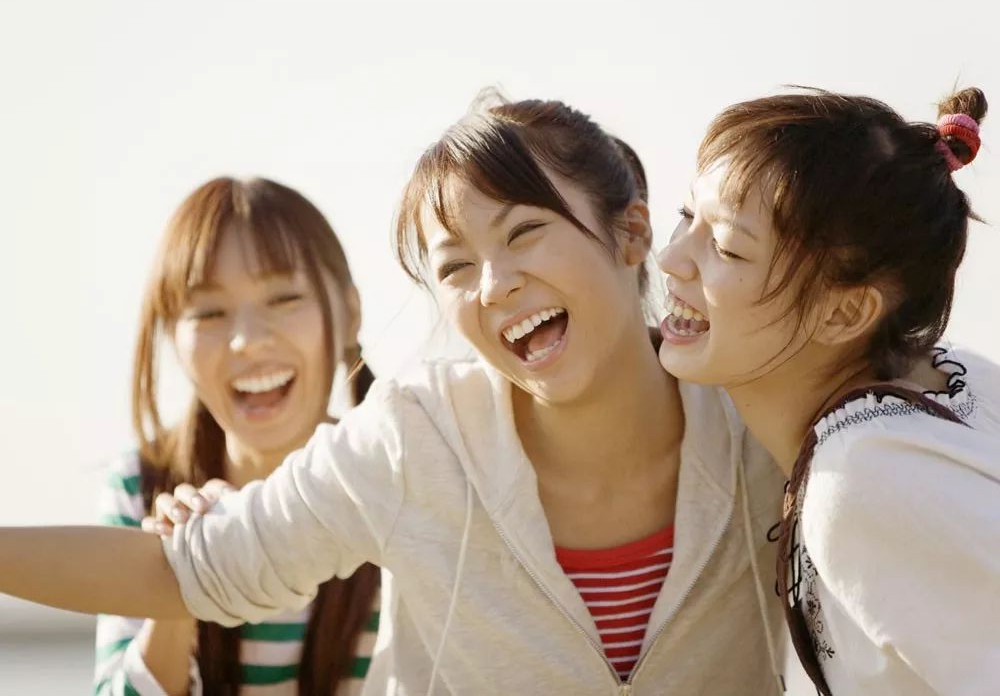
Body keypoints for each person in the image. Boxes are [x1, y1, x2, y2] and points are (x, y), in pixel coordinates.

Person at [0, 95, 787, 695]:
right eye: (454, 267)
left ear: (633, 233)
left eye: (523, 232)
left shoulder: (761, 417)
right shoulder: (416, 438)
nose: (494, 284)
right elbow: (184, 571)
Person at [655, 86, 1000, 695]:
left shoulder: (866, 483)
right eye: (688, 215)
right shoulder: (961, 380)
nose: (671, 258)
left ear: (844, 314)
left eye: (727, 247)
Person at [94, 177, 380, 695]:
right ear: (172, 335)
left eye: (284, 298)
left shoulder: (396, 484)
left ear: (350, 313)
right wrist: (180, 580)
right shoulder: (141, 484)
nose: (247, 340)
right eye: (209, 312)